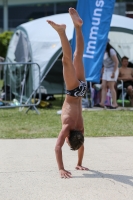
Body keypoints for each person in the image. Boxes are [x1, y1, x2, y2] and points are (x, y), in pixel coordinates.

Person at [47, 8, 88, 178]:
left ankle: (77, 27)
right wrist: (61, 168)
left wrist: (79, 163)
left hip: (82, 90)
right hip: (72, 91)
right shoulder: (68, 127)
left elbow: (82, 144)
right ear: (67, 138)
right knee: (67, 60)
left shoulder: (81, 129)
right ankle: (62, 31)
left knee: (78, 56)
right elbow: (57, 147)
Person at [97, 42, 119, 109]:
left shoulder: (111, 51)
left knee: (111, 86)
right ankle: (102, 103)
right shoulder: (102, 51)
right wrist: (103, 68)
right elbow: (104, 62)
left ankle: (115, 103)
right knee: (103, 86)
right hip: (106, 69)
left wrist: (113, 72)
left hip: (112, 69)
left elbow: (116, 62)